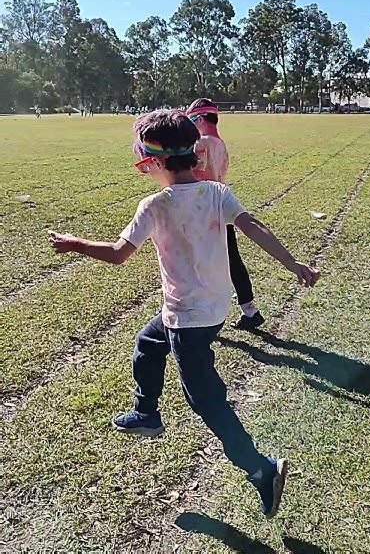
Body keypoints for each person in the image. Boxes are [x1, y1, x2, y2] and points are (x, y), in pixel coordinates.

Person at [48, 109, 318, 518]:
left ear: (150, 162)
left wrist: (74, 244)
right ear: (195, 154)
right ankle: (146, 411)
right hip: (212, 309)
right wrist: (293, 264)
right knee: (147, 342)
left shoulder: (154, 206)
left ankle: (261, 470)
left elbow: (119, 255)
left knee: (205, 400)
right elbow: (254, 227)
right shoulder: (216, 192)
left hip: (187, 319)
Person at [186, 98, 262, 331]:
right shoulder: (220, 143)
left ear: (199, 119)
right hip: (221, 203)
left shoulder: (200, 144)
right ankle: (250, 309)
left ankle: (195, 313)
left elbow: (192, 175)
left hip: (201, 208)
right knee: (232, 259)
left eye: (191, 121)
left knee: (194, 261)